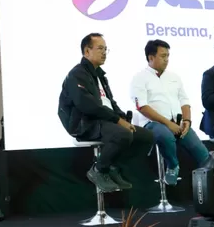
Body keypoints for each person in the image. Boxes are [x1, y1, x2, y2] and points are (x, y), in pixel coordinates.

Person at [58, 33, 155, 193]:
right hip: (85, 123)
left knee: (146, 137)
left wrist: (122, 117)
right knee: (123, 134)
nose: (104, 53)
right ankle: (99, 169)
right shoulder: (77, 74)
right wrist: (118, 120)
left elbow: (110, 102)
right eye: (100, 48)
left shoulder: (100, 76)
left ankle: (113, 167)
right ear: (87, 51)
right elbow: (87, 106)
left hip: (104, 120)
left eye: (105, 49)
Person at [129, 39, 209, 185]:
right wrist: (168, 123)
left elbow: (184, 101)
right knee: (165, 135)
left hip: (178, 124)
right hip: (152, 124)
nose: (166, 59)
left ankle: (209, 186)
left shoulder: (174, 77)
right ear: (151, 57)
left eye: (168, 56)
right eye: (163, 56)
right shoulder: (139, 78)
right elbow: (142, 107)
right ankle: (172, 166)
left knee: (203, 154)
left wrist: (187, 121)